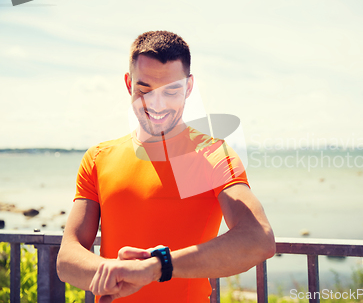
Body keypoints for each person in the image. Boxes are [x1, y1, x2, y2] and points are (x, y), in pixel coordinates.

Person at [56, 31, 276, 303]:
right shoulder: (99, 157)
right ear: (128, 83)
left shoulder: (212, 155)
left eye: (171, 91)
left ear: (189, 87)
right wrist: (112, 270)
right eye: (144, 89)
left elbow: (258, 239)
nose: (156, 104)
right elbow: (67, 258)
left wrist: (157, 267)